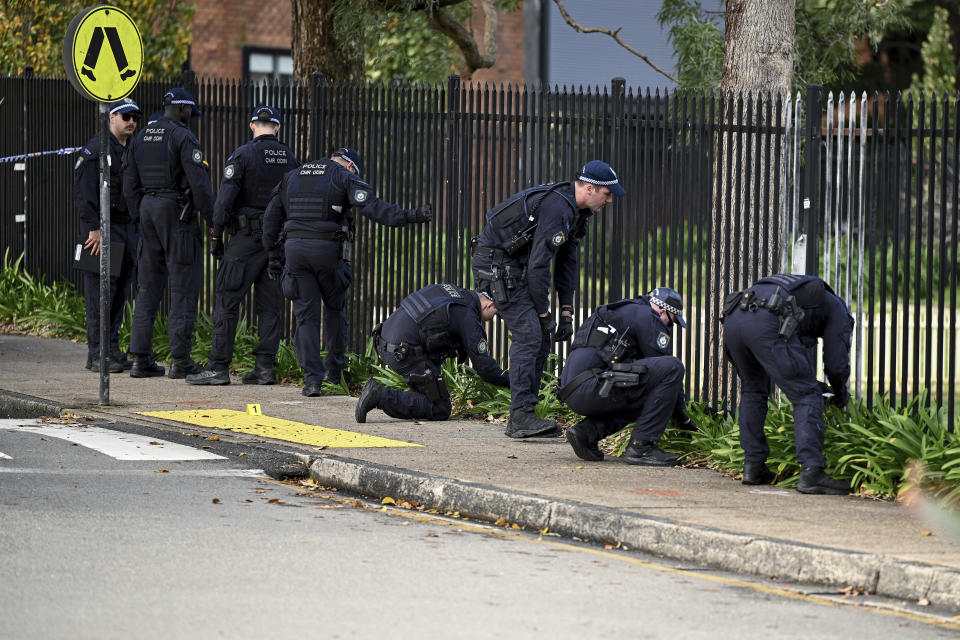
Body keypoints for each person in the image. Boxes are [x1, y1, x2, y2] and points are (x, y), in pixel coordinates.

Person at [472, 160, 625, 439]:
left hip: (514, 267)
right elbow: (540, 266)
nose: (610, 199)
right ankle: (519, 416)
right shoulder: (558, 208)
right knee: (531, 334)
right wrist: (544, 313)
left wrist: (566, 311)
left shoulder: (578, 213)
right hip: (497, 265)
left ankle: (526, 414)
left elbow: (567, 262)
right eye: (608, 193)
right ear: (590, 189)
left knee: (541, 336)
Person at [262, 147, 432, 397]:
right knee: (334, 310)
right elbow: (373, 207)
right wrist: (411, 216)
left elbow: (270, 218)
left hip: (295, 250)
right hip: (328, 251)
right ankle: (334, 372)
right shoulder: (344, 176)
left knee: (305, 317)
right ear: (351, 166)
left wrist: (274, 257)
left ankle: (312, 381)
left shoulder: (293, 175)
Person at [185, 106, 298, 386]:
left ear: (252, 126)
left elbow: (225, 199)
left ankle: (219, 367)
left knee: (227, 300)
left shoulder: (243, 154)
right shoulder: (290, 159)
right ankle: (264, 369)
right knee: (270, 306)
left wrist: (216, 235)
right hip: (277, 242)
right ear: (277, 127)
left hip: (246, 240)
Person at [721, 274, 854, 495]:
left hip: (734, 318)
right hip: (767, 319)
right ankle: (812, 472)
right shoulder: (838, 311)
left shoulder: (801, 294)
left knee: (753, 389)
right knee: (807, 395)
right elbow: (836, 363)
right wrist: (840, 392)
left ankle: (753, 467)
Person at [122, 88, 215, 379]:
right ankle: (181, 360)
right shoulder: (182, 137)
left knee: (147, 288)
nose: (192, 119)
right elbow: (199, 185)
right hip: (176, 214)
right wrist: (214, 221)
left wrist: (140, 213)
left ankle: (140, 359)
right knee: (183, 286)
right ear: (184, 109)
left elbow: (128, 183)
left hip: (148, 210)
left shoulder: (139, 138)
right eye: (191, 113)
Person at [557, 287, 693, 465]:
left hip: (573, 390)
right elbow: (666, 371)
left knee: (644, 391)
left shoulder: (625, 310)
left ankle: (586, 433)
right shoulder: (649, 318)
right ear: (662, 310)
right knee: (673, 366)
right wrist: (684, 418)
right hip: (594, 387)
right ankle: (641, 447)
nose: (668, 327)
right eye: (670, 322)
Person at [355, 284, 509, 423]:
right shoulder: (468, 317)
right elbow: (486, 370)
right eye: (494, 314)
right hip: (403, 352)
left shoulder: (452, 291)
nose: (490, 319)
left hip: (384, 339)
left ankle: (399, 395)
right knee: (440, 408)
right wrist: (513, 381)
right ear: (489, 305)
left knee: (432, 383)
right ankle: (379, 395)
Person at [73, 98, 141, 373]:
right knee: (100, 294)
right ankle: (97, 353)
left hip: (126, 228)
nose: (131, 122)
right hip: (102, 229)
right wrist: (94, 228)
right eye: (126, 116)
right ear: (112, 117)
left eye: (134, 117)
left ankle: (111, 347)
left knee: (120, 292)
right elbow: (85, 193)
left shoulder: (131, 149)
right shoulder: (96, 149)